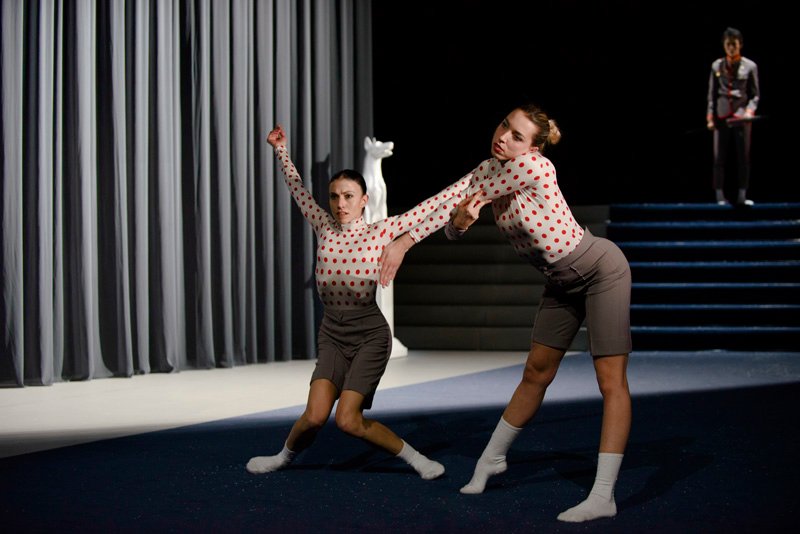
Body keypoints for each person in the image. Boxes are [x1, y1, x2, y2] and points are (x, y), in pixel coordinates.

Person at [379, 105, 632, 523]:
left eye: (517, 136)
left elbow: (449, 199)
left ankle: (603, 495)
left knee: (610, 381)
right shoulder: (489, 171)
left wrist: (403, 241)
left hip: (600, 270)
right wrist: (459, 222)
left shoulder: (533, 166)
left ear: (532, 147)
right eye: (504, 126)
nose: (504, 137)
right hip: (560, 281)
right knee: (535, 373)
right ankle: (491, 459)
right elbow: (454, 219)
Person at [246, 125, 469, 480]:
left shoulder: (381, 231)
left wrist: (474, 181)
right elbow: (297, 188)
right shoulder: (323, 225)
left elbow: (432, 208)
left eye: (349, 196)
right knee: (314, 416)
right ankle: (281, 457)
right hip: (332, 334)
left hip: (369, 334)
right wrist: (280, 150)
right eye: (335, 196)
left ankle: (416, 459)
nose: (340, 204)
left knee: (348, 420)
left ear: (364, 200)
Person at [706, 26, 760, 206]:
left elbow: (755, 95)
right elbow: (712, 94)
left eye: (734, 44)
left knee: (743, 158)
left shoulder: (750, 66)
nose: (731, 48)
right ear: (724, 45)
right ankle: (719, 196)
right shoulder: (716, 65)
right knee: (719, 158)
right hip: (721, 116)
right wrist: (710, 117)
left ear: (740, 45)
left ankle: (742, 195)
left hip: (741, 117)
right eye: (728, 44)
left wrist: (749, 111)